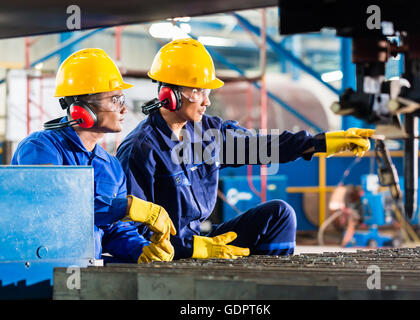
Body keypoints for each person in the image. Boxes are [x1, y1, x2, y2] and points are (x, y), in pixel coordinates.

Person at [116, 38, 374, 260]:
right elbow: (135, 232)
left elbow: (261, 146)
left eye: (207, 91)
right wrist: (191, 248)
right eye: (198, 91)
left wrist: (319, 143)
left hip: (203, 238)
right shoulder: (142, 149)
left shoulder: (207, 134)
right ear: (168, 95)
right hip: (170, 251)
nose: (207, 101)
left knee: (280, 215)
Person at [11, 48, 176, 263]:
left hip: (82, 275)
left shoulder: (111, 166)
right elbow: (55, 207)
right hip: (35, 271)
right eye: (115, 100)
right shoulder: (40, 149)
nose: (124, 109)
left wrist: (142, 251)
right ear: (81, 109)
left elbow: (116, 232)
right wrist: (125, 207)